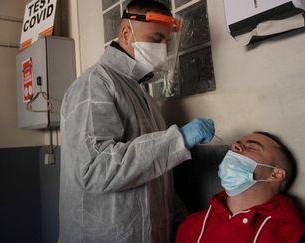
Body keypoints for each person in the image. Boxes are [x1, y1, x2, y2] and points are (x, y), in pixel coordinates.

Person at [58, 0, 215, 242]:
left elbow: (155, 173)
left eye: (165, 41)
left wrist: (179, 221)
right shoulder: (95, 85)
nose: (162, 48)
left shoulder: (145, 97)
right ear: (125, 33)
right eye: (155, 39)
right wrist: (178, 140)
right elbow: (94, 169)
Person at [176, 131, 305, 243]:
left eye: (251, 147)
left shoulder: (298, 237)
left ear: (276, 175)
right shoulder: (189, 225)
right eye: (236, 144)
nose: (235, 146)